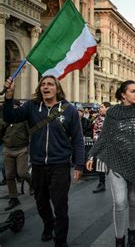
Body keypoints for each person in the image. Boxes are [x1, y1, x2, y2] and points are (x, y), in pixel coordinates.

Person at [3, 75, 84, 247]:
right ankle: (49, 224)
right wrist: (9, 96)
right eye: (43, 84)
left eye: (50, 84)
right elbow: (10, 117)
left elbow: (77, 139)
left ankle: (60, 241)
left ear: (57, 89)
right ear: (40, 89)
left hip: (60, 165)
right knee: (41, 203)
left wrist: (79, 164)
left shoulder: (69, 110)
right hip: (38, 165)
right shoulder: (32, 107)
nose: (46, 87)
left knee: (60, 205)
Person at [87, 80, 135, 247]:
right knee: (120, 202)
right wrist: (91, 155)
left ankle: (132, 233)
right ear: (123, 94)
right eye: (133, 91)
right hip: (116, 161)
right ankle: (119, 239)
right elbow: (105, 136)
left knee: (133, 200)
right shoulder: (113, 112)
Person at [1, 100, 33, 211]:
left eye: (14, 107)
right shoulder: (5, 119)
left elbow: (30, 132)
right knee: (9, 175)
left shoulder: (23, 120)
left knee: (22, 172)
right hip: (8, 149)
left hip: (21, 149)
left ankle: (32, 183)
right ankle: (13, 198)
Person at [91, 102, 111, 193]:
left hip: (112, 145)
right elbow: (95, 131)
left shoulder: (113, 118)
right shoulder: (98, 119)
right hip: (100, 144)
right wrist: (96, 139)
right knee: (100, 164)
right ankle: (101, 183)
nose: (100, 109)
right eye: (100, 107)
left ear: (107, 108)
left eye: (102, 107)